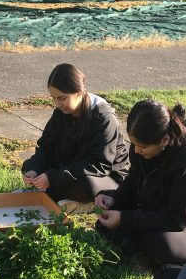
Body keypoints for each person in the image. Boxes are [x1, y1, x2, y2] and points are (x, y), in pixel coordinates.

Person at [94, 100, 186, 266]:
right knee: (106, 218)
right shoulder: (143, 147)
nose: (137, 150)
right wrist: (114, 199)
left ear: (165, 140)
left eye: (143, 147)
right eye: (134, 144)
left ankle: (138, 247)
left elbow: (178, 219)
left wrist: (125, 219)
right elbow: (134, 181)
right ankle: (137, 246)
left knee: (161, 243)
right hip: (159, 210)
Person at [21, 63, 129, 205]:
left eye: (62, 98)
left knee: (88, 186)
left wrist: (53, 178)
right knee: (31, 167)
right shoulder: (60, 113)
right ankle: (53, 192)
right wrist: (34, 169)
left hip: (105, 176)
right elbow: (46, 147)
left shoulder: (104, 118)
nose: (57, 104)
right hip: (72, 168)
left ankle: (53, 193)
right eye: (54, 98)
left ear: (79, 92)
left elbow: (99, 165)